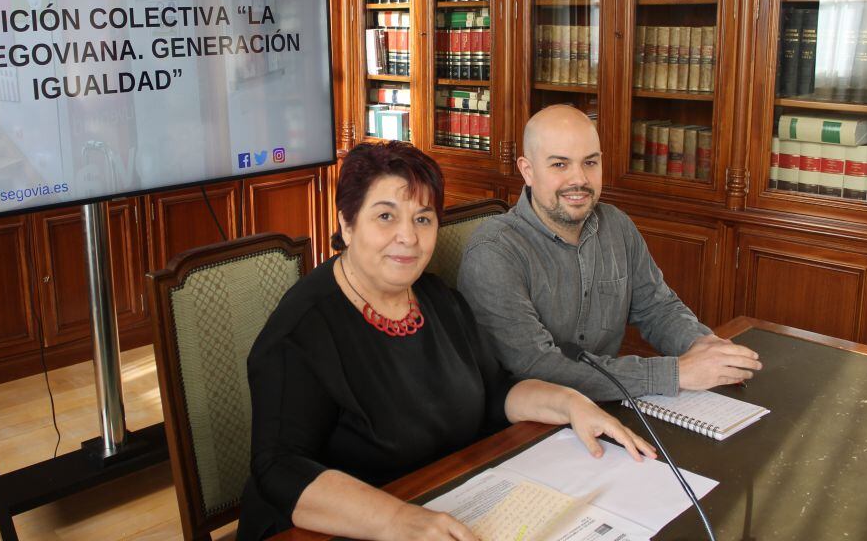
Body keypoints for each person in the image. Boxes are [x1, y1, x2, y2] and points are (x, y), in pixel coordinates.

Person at [238, 141, 656, 541]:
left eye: (423, 219)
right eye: (385, 216)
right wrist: (398, 521)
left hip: (447, 501)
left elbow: (494, 391)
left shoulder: (437, 299)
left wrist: (570, 403)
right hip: (342, 527)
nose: (408, 236)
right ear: (347, 224)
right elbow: (280, 469)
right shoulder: (301, 333)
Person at [458, 105, 762, 402]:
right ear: (528, 171)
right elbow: (537, 366)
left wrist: (706, 348)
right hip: (525, 429)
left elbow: (659, 309)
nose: (579, 179)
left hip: (608, 405)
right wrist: (676, 373)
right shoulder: (494, 251)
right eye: (560, 165)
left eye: (590, 163)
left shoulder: (616, 225)